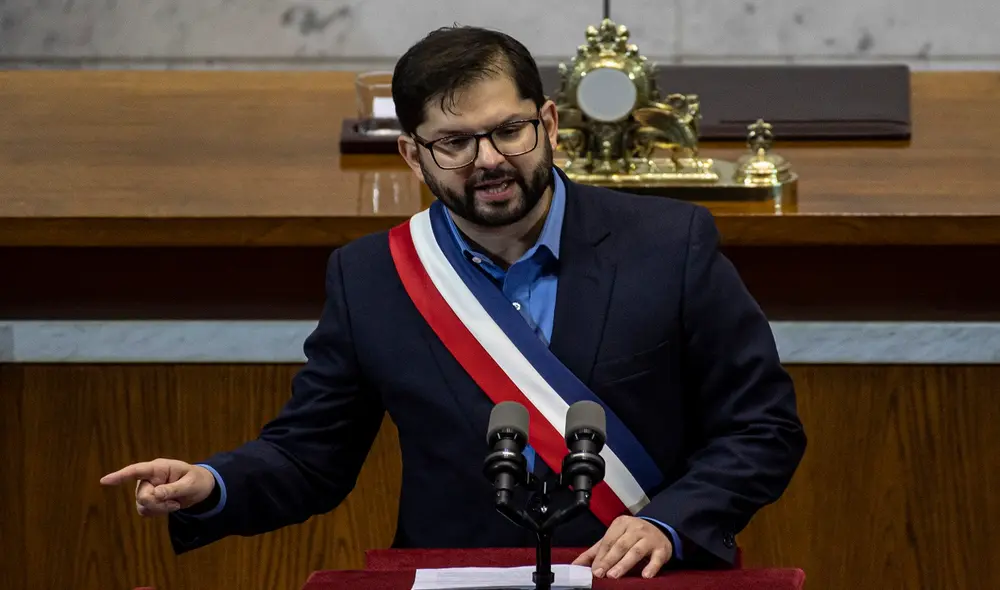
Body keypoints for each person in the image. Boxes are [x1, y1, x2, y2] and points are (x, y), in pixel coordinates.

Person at [100, 25, 806, 579]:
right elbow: (310, 458)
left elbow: (762, 427)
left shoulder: (669, 244)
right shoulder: (372, 277)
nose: (490, 159)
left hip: (644, 577)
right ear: (413, 156)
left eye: (509, 130)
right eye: (455, 142)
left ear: (551, 124)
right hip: (456, 577)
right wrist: (212, 483)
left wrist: (672, 522)